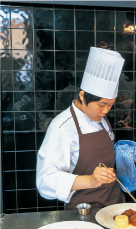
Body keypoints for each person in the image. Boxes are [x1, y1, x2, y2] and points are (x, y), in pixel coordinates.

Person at [36, 47, 126, 209]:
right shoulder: (62, 127)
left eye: (110, 105)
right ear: (83, 96)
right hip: (84, 213)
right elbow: (45, 181)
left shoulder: (102, 119)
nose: (106, 111)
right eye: (101, 105)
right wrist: (90, 180)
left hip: (116, 207)